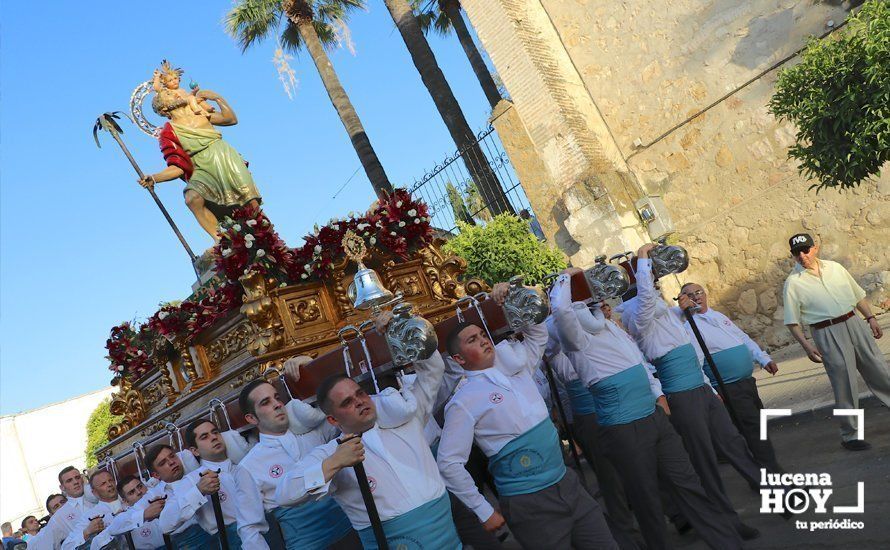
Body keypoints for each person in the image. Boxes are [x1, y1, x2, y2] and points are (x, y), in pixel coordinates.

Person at [551, 272, 741, 550]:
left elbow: (639, 364)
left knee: (687, 482)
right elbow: (560, 310)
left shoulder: (610, 326)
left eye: (602, 302)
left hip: (652, 417)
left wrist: (658, 396)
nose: (603, 305)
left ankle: (728, 541)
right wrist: (564, 280)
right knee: (646, 500)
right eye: (595, 301)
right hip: (623, 427)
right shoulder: (574, 338)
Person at [437, 279, 618, 550]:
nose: (484, 341)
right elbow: (449, 463)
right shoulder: (463, 402)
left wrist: (513, 298)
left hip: (566, 480)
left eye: (483, 335)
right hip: (528, 502)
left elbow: (537, 334)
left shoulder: (518, 369)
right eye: (472, 340)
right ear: (458, 360)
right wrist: (483, 510)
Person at [617, 244, 761, 540]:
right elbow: (645, 302)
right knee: (705, 462)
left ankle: (772, 490)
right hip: (681, 394)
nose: (655, 282)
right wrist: (642, 260)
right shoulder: (635, 312)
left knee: (733, 442)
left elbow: (682, 337)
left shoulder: (659, 308)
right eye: (651, 277)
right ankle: (728, 522)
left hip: (699, 387)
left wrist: (708, 386)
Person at [281, 314, 461, 550]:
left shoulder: (408, 419)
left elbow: (432, 370)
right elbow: (285, 494)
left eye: (360, 394)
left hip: (449, 536)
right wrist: (333, 463)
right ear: (333, 420)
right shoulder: (331, 453)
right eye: (347, 402)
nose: (359, 402)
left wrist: (402, 327)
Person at [783, 233, 890, 451]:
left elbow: (857, 295)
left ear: (815, 248)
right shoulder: (793, 283)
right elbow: (792, 322)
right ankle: (850, 435)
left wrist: (870, 318)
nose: (803, 255)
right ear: (793, 256)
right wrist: (807, 346)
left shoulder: (835, 268)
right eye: (797, 253)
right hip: (826, 332)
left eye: (806, 250)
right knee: (844, 383)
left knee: (879, 370)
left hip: (854, 322)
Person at [542, 316, 640, 549]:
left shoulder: (587, 329)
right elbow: (550, 343)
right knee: (611, 479)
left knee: (637, 466)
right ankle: (628, 539)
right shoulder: (554, 341)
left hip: (615, 402)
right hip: (588, 414)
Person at [139, 61, 262, 241]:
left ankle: (264, 236)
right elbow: (178, 167)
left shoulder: (200, 114)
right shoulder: (169, 132)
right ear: (163, 108)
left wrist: (217, 98)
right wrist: (154, 178)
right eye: (167, 94)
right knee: (192, 198)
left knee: (249, 200)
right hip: (201, 168)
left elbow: (230, 119)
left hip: (223, 156)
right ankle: (221, 240)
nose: (174, 93)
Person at [237, 368, 359, 549]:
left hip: (352, 532)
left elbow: (343, 408)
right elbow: (250, 528)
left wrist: (308, 367)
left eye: (277, 398)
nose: (277, 404)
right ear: (251, 418)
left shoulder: (315, 432)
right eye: (265, 402)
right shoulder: (248, 466)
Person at [677, 282, 783, 473]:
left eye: (698, 292)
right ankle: (772, 474)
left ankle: (763, 471)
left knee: (757, 426)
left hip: (746, 382)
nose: (696, 297)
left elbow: (742, 338)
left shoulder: (717, 316)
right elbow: (696, 362)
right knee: (753, 430)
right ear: (683, 300)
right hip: (728, 387)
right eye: (689, 295)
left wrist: (762, 358)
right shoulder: (688, 326)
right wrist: (709, 389)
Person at [168, 418, 265, 549]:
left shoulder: (246, 466)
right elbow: (166, 523)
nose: (213, 437)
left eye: (215, 432)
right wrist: (198, 491)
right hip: (233, 540)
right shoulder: (193, 480)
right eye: (204, 437)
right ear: (195, 451)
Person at [144, 444, 218, 548]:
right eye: (163, 463)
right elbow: (165, 525)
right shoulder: (153, 494)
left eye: (172, 456)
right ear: (156, 475)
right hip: (187, 541)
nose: (171, 462)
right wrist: (144, 514)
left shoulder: (201, 474)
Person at [100, 475, 166, 550]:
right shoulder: (126, 515)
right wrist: (143, 515)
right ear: (125, 501)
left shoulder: (159, 494)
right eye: (131, 492)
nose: (139, 492)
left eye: (140, 486)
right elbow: (112, 529)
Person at [62, 470, 123, 550]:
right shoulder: (91, 515)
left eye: (110, 480)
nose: (109, 484)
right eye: (103, 484)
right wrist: (87, 531)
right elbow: (66, 547)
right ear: (94, 492)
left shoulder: (131, 496)